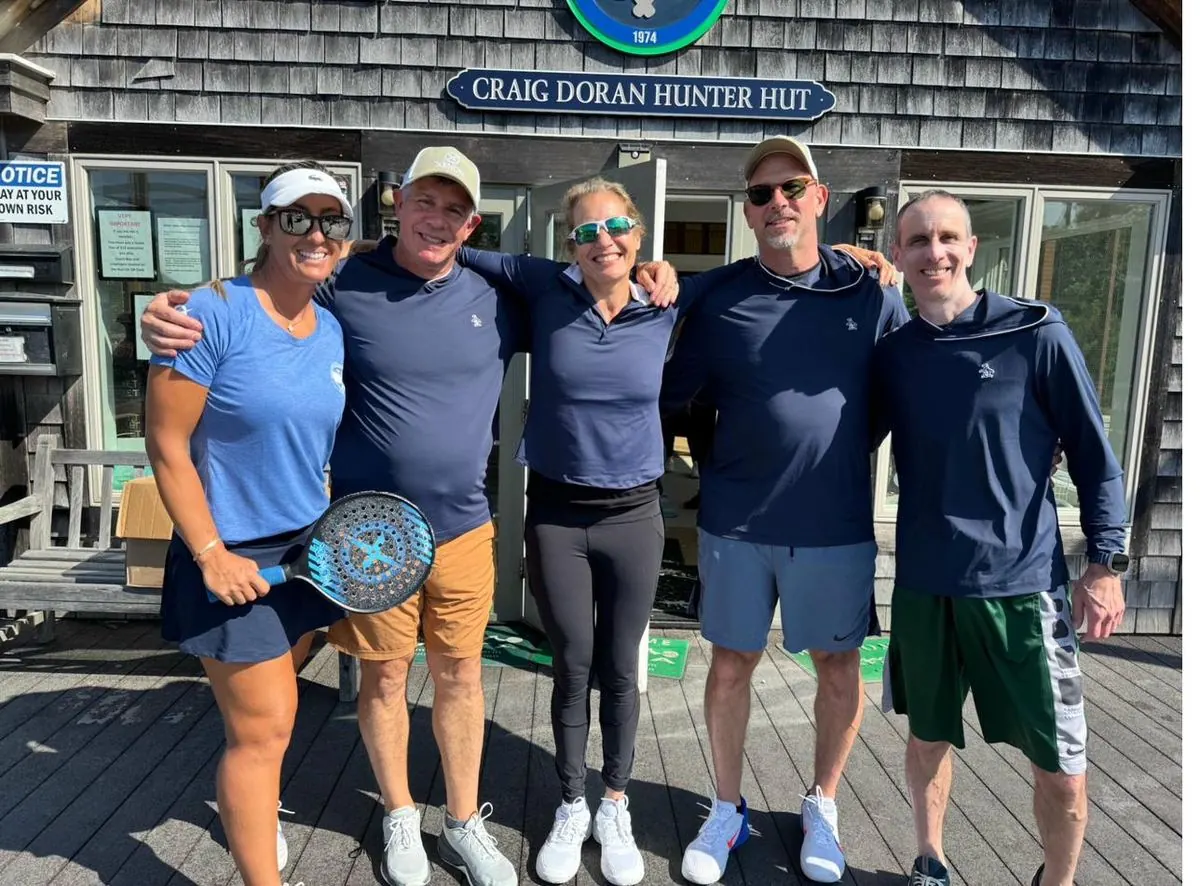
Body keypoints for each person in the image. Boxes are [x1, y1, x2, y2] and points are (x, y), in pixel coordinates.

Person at [140, 148, 677, 886]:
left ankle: (461, 821)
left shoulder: (507, 294)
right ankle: (399, 817)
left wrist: (658, 270)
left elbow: (599, 279)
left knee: (460, 676)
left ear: (472, 223)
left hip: (463, 526)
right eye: (426, 201)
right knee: (385, 678)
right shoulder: (343, 281)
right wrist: (179, 302)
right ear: (399, 206)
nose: (439, 218)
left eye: (455, 209)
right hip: (366, 533)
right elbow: (274, 284)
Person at [661, 136, 909, 885]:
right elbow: (670, 395)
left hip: (833, 523)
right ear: (748, 210)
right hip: (736, 521)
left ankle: (822, 807)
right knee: (731, 662)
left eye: (792, 188)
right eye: (763, 193)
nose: (779, 204)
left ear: (820, 199)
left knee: (838, 668)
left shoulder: (872, 293)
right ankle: (727, 808)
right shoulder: (715, 296)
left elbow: (913, 390)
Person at [454, 179, 711, 886]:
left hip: (634, 514)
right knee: (570, 663)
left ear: (639, 234)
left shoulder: (667, 301)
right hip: (558, 516)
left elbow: (763, 277)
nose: (606, 239)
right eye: (589, 230)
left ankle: (616, 802)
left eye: (619, 225)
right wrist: (366, 243)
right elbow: (453, 250)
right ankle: (573, 800)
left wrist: (858, 258)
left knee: (622, 668)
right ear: (569, 243)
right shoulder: (543, 288)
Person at [871, 190, 1128, 886]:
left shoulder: (1036, 332)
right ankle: (930, 860)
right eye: (918, 241)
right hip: (926, 586)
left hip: (1024, 588)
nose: (935, 253)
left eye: (948, 238)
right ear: (899, 255)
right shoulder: (894, 354)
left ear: (971, 248)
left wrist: (1106, 563)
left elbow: (1095, 458)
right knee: (926, 738)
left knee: (1065, 773)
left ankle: (1059, 880)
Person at [145, 161, 353, 886]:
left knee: (274, 714)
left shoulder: (328, 326)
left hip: (304, 550)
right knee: (263, 730)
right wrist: (210, 554)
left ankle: (253, 821)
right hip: (230, 554)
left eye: (333, 220)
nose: (316, 233)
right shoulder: (208, 312)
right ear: (264, 227)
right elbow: (166, 445)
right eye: (297, 218)